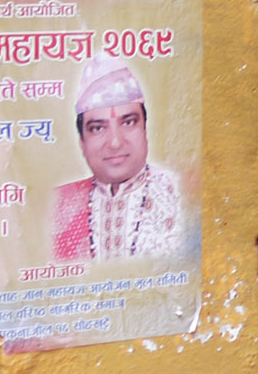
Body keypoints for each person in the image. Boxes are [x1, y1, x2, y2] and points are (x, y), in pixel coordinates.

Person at [51, 54, 183, 261]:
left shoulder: (182, 195)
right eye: (97, 128)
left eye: (128, 122)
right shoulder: (57, 205)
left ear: (145, 129)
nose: (115, 142)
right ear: (81, 142)